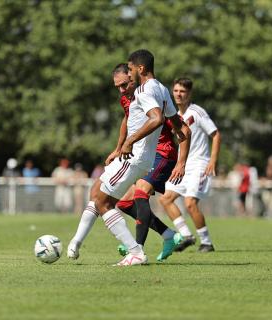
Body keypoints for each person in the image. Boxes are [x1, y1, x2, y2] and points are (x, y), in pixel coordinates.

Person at [68, 50, 189, 266]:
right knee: (99, 193)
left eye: (131, 70)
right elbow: (181, 127)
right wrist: (181, 138)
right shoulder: (160, 88)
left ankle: (136, 251)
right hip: (137, 156)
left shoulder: (144, 91)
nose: (129, 77)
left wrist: (130, 141)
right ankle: (75, 244)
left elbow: (156, 118)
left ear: (139, 69)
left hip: (136, 156)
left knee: (103, 201)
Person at [159, 77, 221, 253]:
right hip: (182, 165)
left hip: (199, 164)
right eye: (176, 91)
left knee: (190, 203)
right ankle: (186, 236)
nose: (178, 94)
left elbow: (216, 135)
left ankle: (207, 242)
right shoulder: (173, 115)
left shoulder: (197, 112)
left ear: (189, 94)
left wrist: (213, 161)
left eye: (183, 91)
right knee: (165, 198)